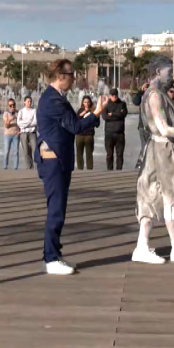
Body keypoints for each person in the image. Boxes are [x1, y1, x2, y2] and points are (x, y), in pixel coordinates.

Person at [35, 59, 106, 275]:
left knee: (59, 209)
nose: (74, 78)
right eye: (71, 74)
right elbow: (75, 127)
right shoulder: (52, 100)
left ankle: (55, 254)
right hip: (53, 160)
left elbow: (69, 123)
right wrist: (97, 113)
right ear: (60, 76)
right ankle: (51, 258)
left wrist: (89, 115)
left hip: (58, 159)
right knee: (56, 210)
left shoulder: (58, 99)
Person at [134, 56, 174, 266]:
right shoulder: (155, 96)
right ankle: (166, 246)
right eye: (168, 72)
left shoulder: (154, 94)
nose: (171, 76)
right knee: (164, 194)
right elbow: (164, 129)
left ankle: (166, 245)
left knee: (158, 195)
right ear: (158, 72)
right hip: (162, 150)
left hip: (159, 149)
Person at [102, 88, 128, 171]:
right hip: (109, 133)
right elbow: (105, 117)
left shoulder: (122, 104)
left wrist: (112, 114)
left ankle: (119, 170)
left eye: (116, 95)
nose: (114, 96)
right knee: (109, 154)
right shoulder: (106, 105)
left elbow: (123, 114)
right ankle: (109, 170)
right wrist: (118, 114)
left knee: (120, 154)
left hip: (119, 133)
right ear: (110, 96)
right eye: (113, 95)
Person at [75, 96, 99, 170]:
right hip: (79, 135)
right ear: (82, 102)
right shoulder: (80, 110)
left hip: (89, 135)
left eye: (88, 102)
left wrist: (92, 120)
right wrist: (81, 115)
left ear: (90, 102)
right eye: (85, 102)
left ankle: (89, 169)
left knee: (89, 154)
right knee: (79, 154)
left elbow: (97, 124)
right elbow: (75, 122)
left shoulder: (93, 111)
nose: (87, 104)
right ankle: (80, 169)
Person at [17, 96, 37, 170]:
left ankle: (36, 167)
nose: (29, 103)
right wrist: (29, 121)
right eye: (28, 101)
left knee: (35, 150)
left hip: (32, 133)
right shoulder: (21, 111)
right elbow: (19, 123)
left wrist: (25, 122)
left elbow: (35, 122)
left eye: (30, 101)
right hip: (23, 133)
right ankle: (29, 167)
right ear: (24, 102)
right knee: (26, 152)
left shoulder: (34, 111)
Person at [133, 83, 150, 169]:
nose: (147, 89)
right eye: (146, 88)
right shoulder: (142, 96)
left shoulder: (155, 97)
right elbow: (135, 102)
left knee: (150, 146)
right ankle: (140, 163)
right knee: (144, 145)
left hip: (153, 127)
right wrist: (140, 91)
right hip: (142, 126)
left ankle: (142, 163)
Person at [2, 99, 20, 170]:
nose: (12, 107)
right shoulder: (5, 113)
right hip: (7, 135)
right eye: (10, 105)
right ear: (8, 106)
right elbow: (6, 125)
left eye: (13, 105)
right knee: (6, 151)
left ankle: (15, 167)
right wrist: (13, 118)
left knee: (16, 152)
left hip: (16, 135)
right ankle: (5, 167)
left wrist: (20, 131)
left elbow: (21, 123)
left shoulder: (18, 113)